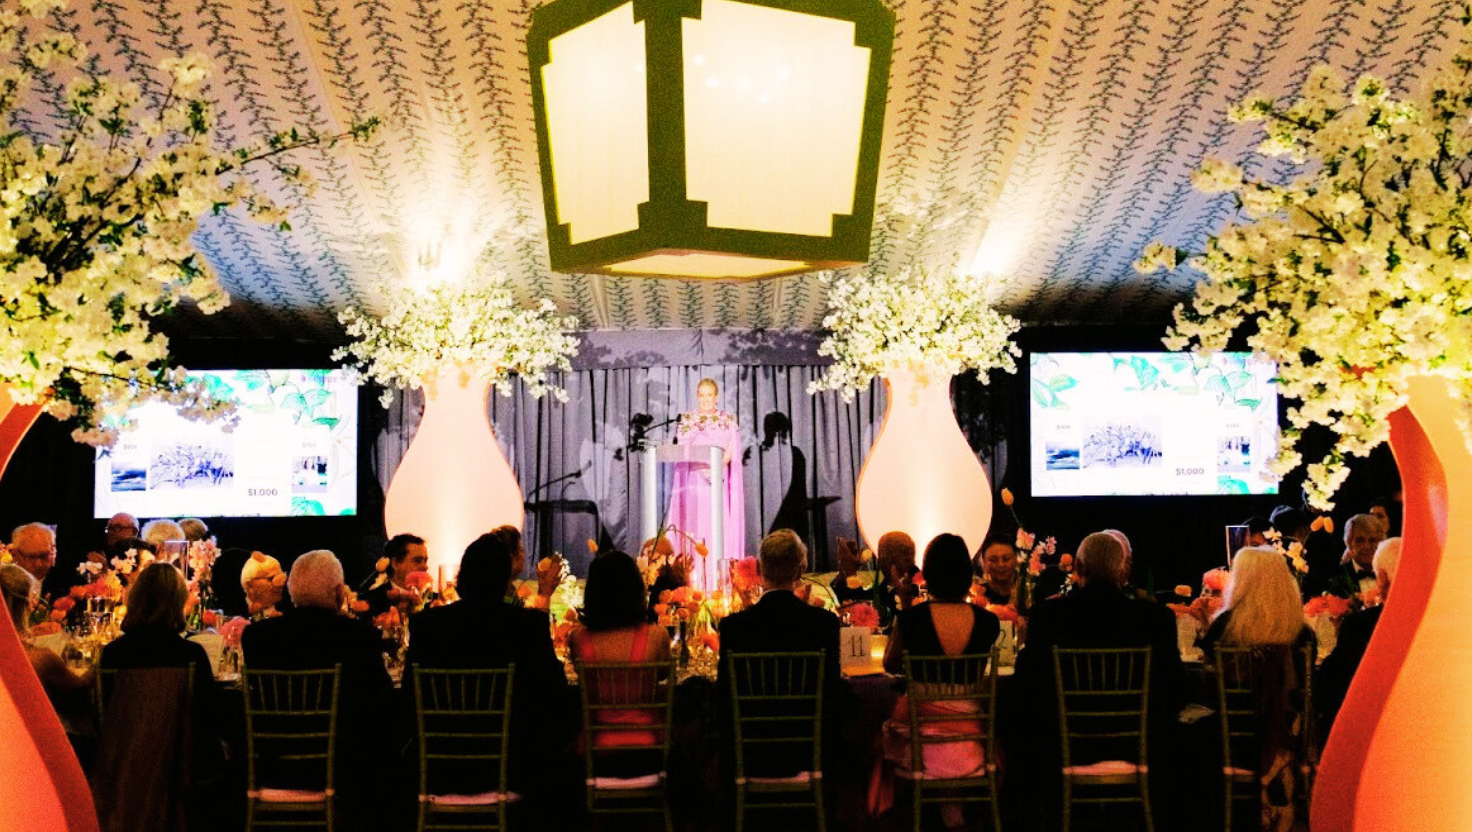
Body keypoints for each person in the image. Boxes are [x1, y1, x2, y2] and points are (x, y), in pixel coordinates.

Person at [406, 532, 574, 796]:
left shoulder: (426, 625)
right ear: (505, 580)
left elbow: (409, 697)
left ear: (463, 577)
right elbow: (555, 690)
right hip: (513, 768)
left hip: (440, 767)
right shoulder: (527, 626)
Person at [241, 549, 392, 819]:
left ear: (291, 591)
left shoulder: (257, 637)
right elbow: (382, 699)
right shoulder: (359, 636)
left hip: (274, 764)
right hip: (345, 769)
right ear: (338, 592)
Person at [872, 534, 1001, 823]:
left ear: (927, 573)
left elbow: (892, 664)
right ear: (967, 573)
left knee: (875, 737)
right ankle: (954, 817)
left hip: (920, 742)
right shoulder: (988, 622)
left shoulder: (913, 619)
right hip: (970, 739)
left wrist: (906, 609)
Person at [1198, 546, 1317, 832]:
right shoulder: (1302, 633)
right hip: (1288, 740)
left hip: (1234, 740)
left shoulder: (1225, 628)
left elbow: (1210, 688)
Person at [718, 530, 843, 776]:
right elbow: (832, 690)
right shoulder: (824, 623)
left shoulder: (734, 627)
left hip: (751, 751)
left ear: (760, 569)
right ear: (800, 570)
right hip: (808, 750)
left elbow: (724, 696)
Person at [568, 551, 672, 763]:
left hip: (595, 749)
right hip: (649, 747)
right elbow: (664, 674)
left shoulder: (578, 639)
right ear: (636, 591)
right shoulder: (656, 636)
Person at [664, 377, 744, 589]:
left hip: (717, 479)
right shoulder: (689, 420)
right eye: (702, 395)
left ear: (716, 397)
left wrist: (716, 467)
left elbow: (731, 450)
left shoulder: (727, 420)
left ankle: (718, 579)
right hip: (694, 481)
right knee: (695, 527)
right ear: (697, 397)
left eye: (709, 395)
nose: (705, 399)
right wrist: (702, 467)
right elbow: (682, 449)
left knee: (717, 525)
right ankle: (694, 578)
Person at [1318, 537, 1401, 732]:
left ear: (1381, 580)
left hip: (1369, 726)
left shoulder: (1362, 625)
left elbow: (1333, 682)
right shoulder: (1433, 624)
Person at [0, 564, 92, 714]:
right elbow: (79, 689)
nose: (35, 605)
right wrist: (100, 659)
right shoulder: (37, 659)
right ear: (24, 605)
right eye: (32, 599)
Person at [356, 533, 429, 618]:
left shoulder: (434, 600)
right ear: (395, 564)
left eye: (425, 561)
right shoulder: (370, 601)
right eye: (417, 560)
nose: (425, 567)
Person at [1328, 514, 1387, 599]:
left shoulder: (1391, 572)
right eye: (1359, 540)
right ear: (1349, 543)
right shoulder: (1337, 579)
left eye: (1372, 540)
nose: (1366, 547)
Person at [974, 534, 1023, 610]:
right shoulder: (977, 594)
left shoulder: (1025, 592)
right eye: (993, 560)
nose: (1000, 564)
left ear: (1016, 559)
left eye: (1006, 559)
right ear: (983, 562)